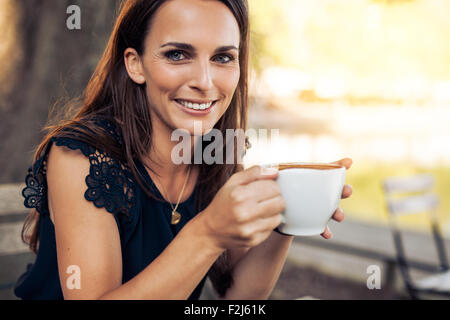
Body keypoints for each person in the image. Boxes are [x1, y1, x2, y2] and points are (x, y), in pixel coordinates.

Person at [15, 0, 353, 300]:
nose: (205, 82)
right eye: (177, 54)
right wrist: (208, 232)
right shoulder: (81, 157)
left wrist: (287, 217)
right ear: (135, 64)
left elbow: (239, 295)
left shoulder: (216, 153)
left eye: (223, 57)